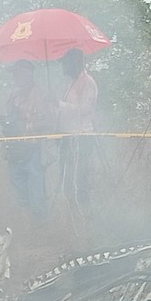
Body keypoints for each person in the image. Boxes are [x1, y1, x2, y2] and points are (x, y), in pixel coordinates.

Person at [0, 60, 53, 221]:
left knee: (36, 191)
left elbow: (50, 121)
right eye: (14, 74)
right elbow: (7, 120)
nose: (15, 78)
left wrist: (25, 125)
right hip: (15, 149)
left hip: (34, 148)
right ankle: (26, 225)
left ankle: (41, 226)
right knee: (19, 191)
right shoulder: (12, 95)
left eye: (18, 74)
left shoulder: (43, 94)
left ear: (28, 74)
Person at [56, 48, 100, 208]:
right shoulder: (70, 83)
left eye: (65, 63)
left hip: (82, 137)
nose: (63, 67)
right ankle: (70, 214)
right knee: (66, 178)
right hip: (67, 137)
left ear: (75, 63)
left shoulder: (88, 82)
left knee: (80, 179)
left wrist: (60, 105)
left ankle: (85, 213)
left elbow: (86, 109)